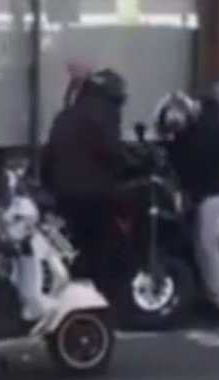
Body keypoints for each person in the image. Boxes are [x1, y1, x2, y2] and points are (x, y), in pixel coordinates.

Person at [154, 92, 219, 315]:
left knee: (206, 241)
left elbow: (197, 163)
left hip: (215, 192)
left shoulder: (209, 132)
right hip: (201, 191)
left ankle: (217, 300)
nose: (175, 133)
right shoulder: (192, 132)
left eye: (177, 128)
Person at [43, 68, 128, 284]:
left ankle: (70, 286)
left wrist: (49, 185)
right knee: (97, 249)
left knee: (71, 247)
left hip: (63, 193)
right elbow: (112, 150)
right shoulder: (106, 115)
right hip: (96, 195)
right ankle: (94, 289)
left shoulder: (66, 115)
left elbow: (49, 154)